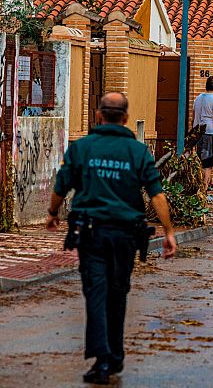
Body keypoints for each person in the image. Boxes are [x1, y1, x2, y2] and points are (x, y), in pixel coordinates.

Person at [47, 93, 177, 385]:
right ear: (126, 118)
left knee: (96, 291)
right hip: (125, 237)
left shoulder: (82, 148)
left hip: (91, 234)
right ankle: (113, 356)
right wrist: (168, 232)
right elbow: (156, 194)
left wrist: (53, 212)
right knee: (117, 294)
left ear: (98, 115)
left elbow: (61, 184)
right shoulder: (138, 151)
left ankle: (104, 359)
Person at [193, 76, 213, 196]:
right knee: (208, 163)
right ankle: (204, 190)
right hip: (209, 133)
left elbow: (193, 116)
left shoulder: (198, 98)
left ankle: (199, 188)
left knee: (200, 161)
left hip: (197, 132)